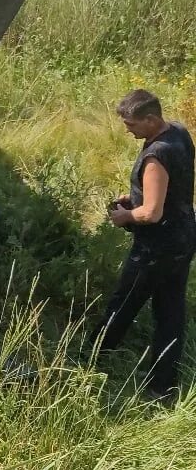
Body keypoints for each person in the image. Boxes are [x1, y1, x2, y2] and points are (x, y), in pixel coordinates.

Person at [94, 90, 196, 404]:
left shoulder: (156, 155)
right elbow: (173, 187)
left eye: (132, 124)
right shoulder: (178, 132)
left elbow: (152, 213)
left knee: (123, 302)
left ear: (151, 119)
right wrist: (135, 197)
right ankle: (161, 389)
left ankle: (91, 359)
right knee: (170, 312)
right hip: (183, 237)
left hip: (157, 247)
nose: (128, 130)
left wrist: (127, 215)